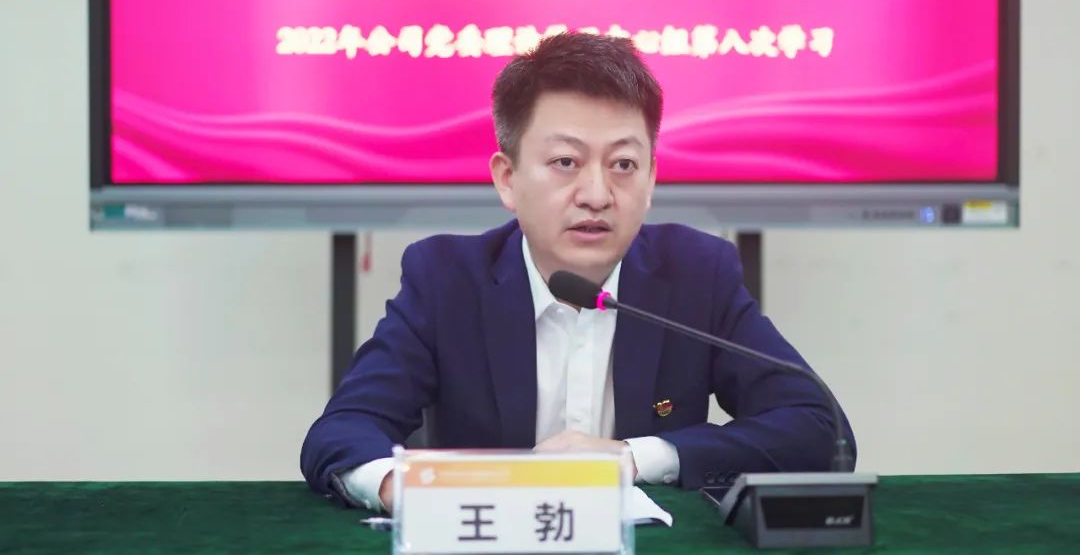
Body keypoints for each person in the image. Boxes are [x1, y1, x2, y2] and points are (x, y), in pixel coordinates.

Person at [301, 32, 855, 511]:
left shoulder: (695, 275)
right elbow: (342, 431)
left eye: (623, 165)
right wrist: (406, 489)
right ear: (507, 178)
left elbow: (818, 427)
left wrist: (635, 458)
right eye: (565, 162)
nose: (596, 194)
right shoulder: (446, 280)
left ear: (651, 179)